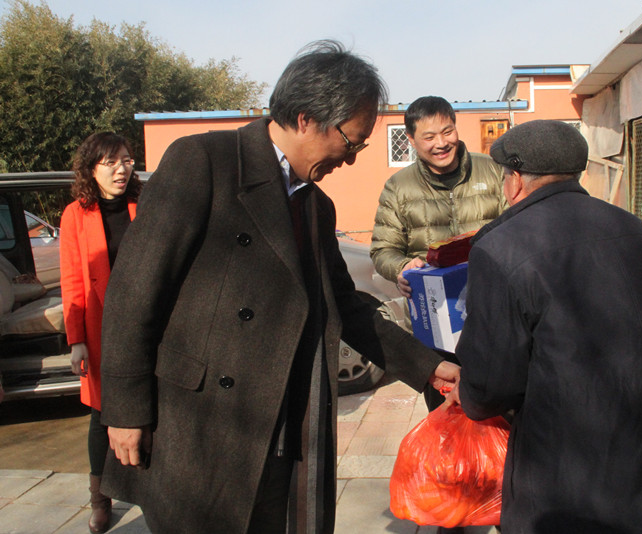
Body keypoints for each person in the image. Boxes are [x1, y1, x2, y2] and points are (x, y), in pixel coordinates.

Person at [97, 41, 458, 534]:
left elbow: (344, 305)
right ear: (307, 118)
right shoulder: (204, 162)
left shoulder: (315, 207)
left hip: (284, 423)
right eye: (350, 143)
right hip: (199, 423)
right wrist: (125, 410)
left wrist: (429, 365)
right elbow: (134, 293)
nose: (350, 160)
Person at [452, 120, 642, 533]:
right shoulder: (634, 229)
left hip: (581, 488)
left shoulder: (501, 248)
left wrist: (467, 393)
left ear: (516, 180)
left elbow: (491, 384)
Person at [370, 96, 505, 408]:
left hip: (493, 318)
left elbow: (518, 226)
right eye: (429, 137)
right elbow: (383, 250)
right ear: (411, 139)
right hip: (434, 328)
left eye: (447, 132)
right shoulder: (398, 187)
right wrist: (402, 267)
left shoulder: (492, 171)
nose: (441, 144)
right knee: (449, 415)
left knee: (502, 413)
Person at [60, 132, 140, 533]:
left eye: (126, 160)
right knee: (101, 414)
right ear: (92, 169)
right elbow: (72, 280)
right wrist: (76, 340)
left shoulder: (146, 205)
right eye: (110, 162)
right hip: (100, 328)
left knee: (152, 408)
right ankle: (100, 499)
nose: (120, 169)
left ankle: (152, 489)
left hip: (146, 324)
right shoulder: (76, 214)